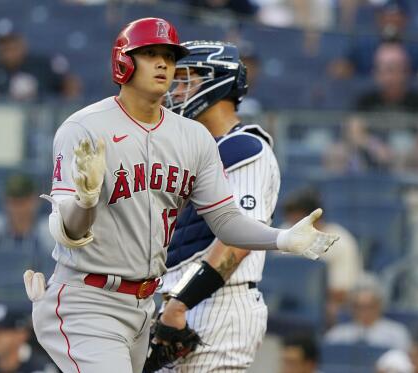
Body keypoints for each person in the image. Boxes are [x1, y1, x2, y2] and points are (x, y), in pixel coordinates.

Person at [24, 18, 338, 373]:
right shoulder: (84, 127)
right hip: (88, 298)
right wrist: (85, 202)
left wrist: (282, 238)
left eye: (170, 57)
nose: (163, 64)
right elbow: (69, 231)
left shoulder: (194, 138)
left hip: (145, 305)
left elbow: (227, 222)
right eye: (150, 54)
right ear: (123, 62)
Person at [149, 40, 279, 372]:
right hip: (176, 304)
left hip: (219, 303)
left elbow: (239, 240)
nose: (175, 92)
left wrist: (179, 305)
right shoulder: (191, 152)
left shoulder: (245, 147)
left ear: (216, 80)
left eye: (185, 80)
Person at [281, 188, 362, 327]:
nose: (293, 225)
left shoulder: (340, 241)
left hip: (326, 306)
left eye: (298, 220)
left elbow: (342, 290)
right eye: (291, 220)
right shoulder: (285, 233)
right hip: (287, 303)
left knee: (332, 309)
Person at [328, 0, 418, 80]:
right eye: (387, 16)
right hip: (367, 96)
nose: (391, 20)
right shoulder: (364, 46)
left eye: (396, 16)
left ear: (405, 19)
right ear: (379, 18)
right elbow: (344, 66)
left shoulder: (416, 49)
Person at [0, 21, 80, 101]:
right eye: (4, 46)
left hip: (42, 118)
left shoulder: (41, 64)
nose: (9, 51)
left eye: (12, 45)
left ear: (22, 44)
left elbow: (70, 84)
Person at [0, 173, 55, 267]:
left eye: (23, 202)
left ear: (35, 200)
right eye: (14, 202)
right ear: (5, 201)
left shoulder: (48, 231)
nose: (18, 208)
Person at [325, 273, 411, 351]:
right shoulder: (336, 335)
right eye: (359, 307)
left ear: (379, 306)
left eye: (369, 307)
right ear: (352, 308)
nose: (364, 312)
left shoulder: (397, 334)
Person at [355, 42, 418, 113]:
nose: (391, 77)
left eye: (397, 69)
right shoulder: (365, 103)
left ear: (407, 71)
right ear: (376, 73)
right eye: (387, 70)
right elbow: (355, 124)